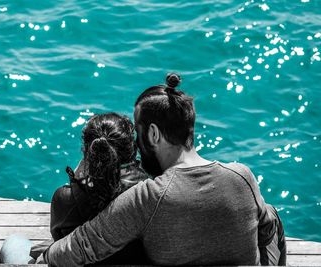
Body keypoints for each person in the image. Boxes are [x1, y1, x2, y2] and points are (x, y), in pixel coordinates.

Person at [42, 73, 286, 266]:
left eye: (138, 133)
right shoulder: (242, 176)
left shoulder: (148, 197)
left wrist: (47, 254)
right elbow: (266, 231)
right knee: (271, 214)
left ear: (154, 133)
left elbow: (81, 247)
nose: (137, 145)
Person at [0, 113, 149, 264]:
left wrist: (75, 183)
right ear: (132, 148)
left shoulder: (66, 197)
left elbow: (60, 238)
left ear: (87, 150)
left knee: (14, 242)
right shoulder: (150, 191)